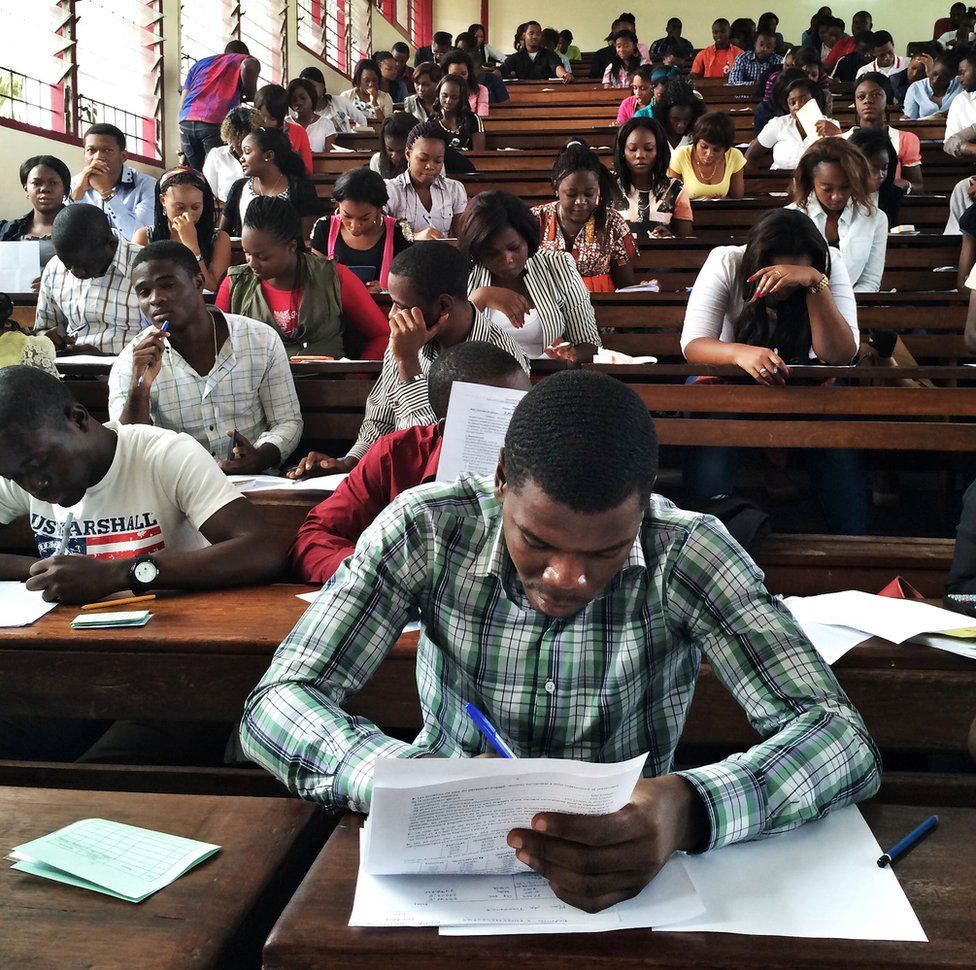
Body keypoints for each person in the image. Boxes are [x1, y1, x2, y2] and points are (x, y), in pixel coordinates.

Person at [241, 365, 881, 914]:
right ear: (498, 480)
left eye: (606, 549)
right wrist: (404, 779)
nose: (567, 578)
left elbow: (839, 737)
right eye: (537, 542)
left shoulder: (689, 552)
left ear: (644, 507)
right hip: (443, 861)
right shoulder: (426, 530)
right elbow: (276, 703)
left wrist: (688, 808)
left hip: (629, 862)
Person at [0, 364, 285, 603]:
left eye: (38, 464)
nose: (34, 485)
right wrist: (49, 573)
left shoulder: (165, 455)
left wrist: (118, 574)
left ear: (78, 420)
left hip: (174, 635)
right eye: (14, 476)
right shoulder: (18, 464)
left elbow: (263, 549)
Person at [681, 209, 866, 535]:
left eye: (792, 276)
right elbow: (693, 345)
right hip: (731, 382)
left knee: (837, 431)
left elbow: (839, 355)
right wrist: (740, 353)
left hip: (807, 386)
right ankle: (703, 539)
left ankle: (854, 542)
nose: (783, 287)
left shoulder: (828, 264)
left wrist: (814, 283)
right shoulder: (727, 261)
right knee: (712, 421)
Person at [290, 341, 530, 582]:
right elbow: (313, 539)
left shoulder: (544, 463)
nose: (522, 432)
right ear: (448, 429)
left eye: (526, 411)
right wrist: (379, 572)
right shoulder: (396, 456)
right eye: (500, 420)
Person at [288, 242, 529, 477]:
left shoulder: (500, 359)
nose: (392, 314)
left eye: (400, 305)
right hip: (395, 482)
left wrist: (407, 363)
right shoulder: (406, 338)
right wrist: (349, 464)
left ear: (443, 305)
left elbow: (431, 453)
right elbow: (380, 420)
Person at [109, 240, 303, 472]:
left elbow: (287, 422)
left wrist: (259, 457)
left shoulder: (260, 339)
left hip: (256, 480)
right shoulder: (132, 362)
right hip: (176, 489)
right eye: (144, 292)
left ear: (198, 282)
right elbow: (127, 447)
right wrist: (139, 387)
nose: (155, 298)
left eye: (168, 285)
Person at [216, 195, 389, 360]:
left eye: (263, 257)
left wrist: (355, 379)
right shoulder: (236, 283)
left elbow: (382, 335)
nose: (252, 264)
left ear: (291, 246)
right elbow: (216, 343)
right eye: (247, 254)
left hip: (326, 383)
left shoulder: (334, 277)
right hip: (257, 387)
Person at [460, 190, 600, 361]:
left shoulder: (558, 266)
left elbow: (589, 343)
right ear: (478, 252)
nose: (508, 260)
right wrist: (481, 298)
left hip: (548, 380)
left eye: (514, 247)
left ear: (527, 238)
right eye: (492, 254)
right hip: (478, 383)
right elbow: (447, 354)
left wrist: (569, 356)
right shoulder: (463, 274)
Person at [35, 204, 141, 355]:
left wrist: (106, 358)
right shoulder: (54, 268)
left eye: (85, 265)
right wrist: (48, 338)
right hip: (69, 372)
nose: (76, 273)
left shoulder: (145, 267)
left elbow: (167, 339)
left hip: (131, 372)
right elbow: (42, 329)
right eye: (68, 265)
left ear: (111, 244)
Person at [532, 141, 636, 293]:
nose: (581, 201)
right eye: (571, 194)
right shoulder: (536, 219)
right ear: (556, 188)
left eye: (589, 194)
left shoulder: (613, 222)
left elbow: (626, 284)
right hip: (549, 309)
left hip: (601, 309)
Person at [787, 139, 888, 292]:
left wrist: (844, 307)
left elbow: (870, 281)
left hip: (856, 307)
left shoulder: (875, 218)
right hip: (801, 307)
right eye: (827, 189)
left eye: (846, 187)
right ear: (811, 182)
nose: (837, 196)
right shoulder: (790, 217)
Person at [310, 167, 412, 291]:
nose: (354, 225)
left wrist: (386, 290)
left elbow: (407, 284)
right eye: (347, 216)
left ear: (379, 209)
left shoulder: (398, 232)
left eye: (364, 218)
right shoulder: (324, 228)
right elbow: (314, 278)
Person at [131, 168, 230, 293]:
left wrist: (192, 246)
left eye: (195, 207)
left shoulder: (219, 238)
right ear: (163, 201)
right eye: (180, 207)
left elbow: (213, 288)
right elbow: (135, 286)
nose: (188, 215)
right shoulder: (144, 236)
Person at [821, 73, 924, 191]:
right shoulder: (840, 140)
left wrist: (905, 185)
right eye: (861, 97)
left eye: (876, 95)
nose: (868, 100)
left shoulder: (905, 139)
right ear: (855, 103)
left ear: (887, 99)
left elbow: (919, 186)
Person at [218, 126, 321, 239]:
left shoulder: (300, 188)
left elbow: (307, 239)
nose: (241, 158)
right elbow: (222, 233)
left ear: (268, 155)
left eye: (247, 152)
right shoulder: (239, 187)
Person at [178, 41, 260, 171]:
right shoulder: (241, 58)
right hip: (213, 121)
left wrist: (182, 148)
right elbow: (248, 66)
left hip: (185, 122)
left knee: (197, 175)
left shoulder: (199, 64)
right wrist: (251, 94)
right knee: (218, 170)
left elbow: (183, 99)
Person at [68, 124, 156, 241]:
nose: (98, 157)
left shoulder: (147, 185)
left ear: (123, 156)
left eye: (107, 150)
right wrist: (78, 192)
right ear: (85, 154)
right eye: (91, 150)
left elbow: (140, 238)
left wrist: (106, 193)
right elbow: (64, 234)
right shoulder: (73, 184)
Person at [384, 122, 468, 238]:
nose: (430, 166)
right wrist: (413, 237)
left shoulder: (454, 189)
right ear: (408, 154)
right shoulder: (390, 191)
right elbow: (379, 234)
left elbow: (460, 238)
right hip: (404, 255)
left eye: (438, 161)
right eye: (423, 159)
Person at [0, 155, 71, 291]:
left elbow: (96, 273)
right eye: (36, 183)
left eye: (53, 183)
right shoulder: (6, 230)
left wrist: (59, 283)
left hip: (65, 308)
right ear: (26, 188)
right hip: (14, 309)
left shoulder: (81, 231)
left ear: (65, 189)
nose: (45, 189)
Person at [615, 117, 692, 239]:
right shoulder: (608, 187)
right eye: (632, 149)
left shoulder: (675, 189)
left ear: (659, 151)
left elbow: (685, 243)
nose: (640, 155)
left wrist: (670, 238)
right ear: (622, 152)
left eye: (648, 149)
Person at [745, 76, 834, 171]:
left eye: (804, 100)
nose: (797, 106)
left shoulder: (831, 125)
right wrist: (759, 183)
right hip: (777, 183)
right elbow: (750, 157)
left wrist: (835, 134)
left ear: (815, 101)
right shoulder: (778, 124)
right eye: (793, 102)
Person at [669, 112, 746, 201]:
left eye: (716, 150)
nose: (709, 154)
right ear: (696, 142)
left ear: (726, 148)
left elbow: (737, 199)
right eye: (704, 147)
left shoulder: (734, 156)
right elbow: (671, 198)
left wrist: (722, 201)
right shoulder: (681, 155)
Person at [203, 106, 262, 205]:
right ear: (230, 137)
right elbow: (210, 193)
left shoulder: (264, 156)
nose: (243, 146)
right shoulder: (217, 156)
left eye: (249, 140)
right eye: (238, 141)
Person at [849, 127, 905, 226]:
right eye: (873, 168)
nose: (880, 175)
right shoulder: (840, 194)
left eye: (884, 168)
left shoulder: (893, 196)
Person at [254, 84, 314, 175]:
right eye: (260, 117)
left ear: (281, 116)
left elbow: (307, 171)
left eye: (272, 118)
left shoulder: (298, 132)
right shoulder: (250, 134)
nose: (265, 122)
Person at [299, 67, 368, 133]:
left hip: (344, 144)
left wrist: (354, 139)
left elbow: (362, 120)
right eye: (305, 88)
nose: (309, 91)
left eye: (312, 86)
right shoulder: (303, 113)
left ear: (323, 86)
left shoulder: (340, 101)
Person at [499, 22, 573, 82]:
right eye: (531, 34)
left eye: (538, 34)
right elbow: (503, 69)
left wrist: (565, 75)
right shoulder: (516, 57)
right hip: (523, 92)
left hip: (547, 92)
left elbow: (557, 67)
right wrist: (490, 76)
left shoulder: (550, 54)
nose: (535, 36)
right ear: (524, 36)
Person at [430, 75, 485, 151]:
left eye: (454, 97)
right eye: (444, 96)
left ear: (462, 98)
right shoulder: (432, 121)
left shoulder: (473, 119)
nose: (448, 101)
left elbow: (479, 154)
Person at [903, 52, 961, 117]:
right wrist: (905, 119)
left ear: (952, 77)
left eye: (943, 79)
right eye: (934, 74)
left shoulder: (960, 85)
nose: (935, 81)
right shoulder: (915, 88)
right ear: (931, 67)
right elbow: (910, 120)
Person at [287, 78, 337, 152]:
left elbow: (330, 155)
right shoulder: (286, 123)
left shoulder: (326, 124)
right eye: (294, 99)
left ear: (312, 98)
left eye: (303, 98)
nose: (298, 102)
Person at [653, 81, 705, 151]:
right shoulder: (656, 136)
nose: (681, 125)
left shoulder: (697, 137)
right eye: (675, 119)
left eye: (686, 119)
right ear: (666, 116)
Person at [442, 50, 489, 117]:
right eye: (454, 75)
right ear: (446, 74)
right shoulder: (440, 90)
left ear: (469, 73)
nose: (459, 78)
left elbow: (482, 117)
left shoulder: (481, 90)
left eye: (463, 74)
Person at [369, 112, 417, 178]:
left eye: (401, 151)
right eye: (390, 149)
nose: (395, 156)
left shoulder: (424, 166)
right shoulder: (377, 162)